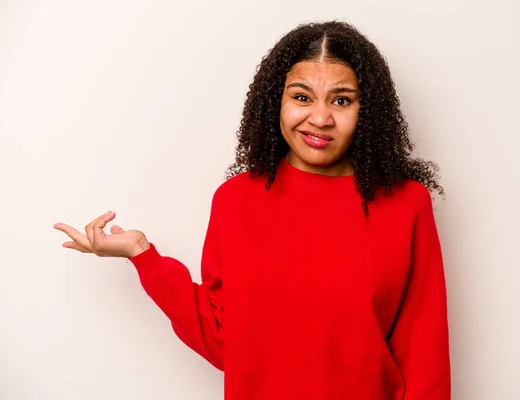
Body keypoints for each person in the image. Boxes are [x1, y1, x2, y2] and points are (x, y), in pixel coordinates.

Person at [54, 20, 451, 400]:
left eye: (342, 100)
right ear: (274, 101)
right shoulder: (235, 200)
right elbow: (226, 342)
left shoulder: (406, 204)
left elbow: (425, 355)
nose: (320, 118)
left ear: (368, 112)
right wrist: (143, 255)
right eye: (301, 97)